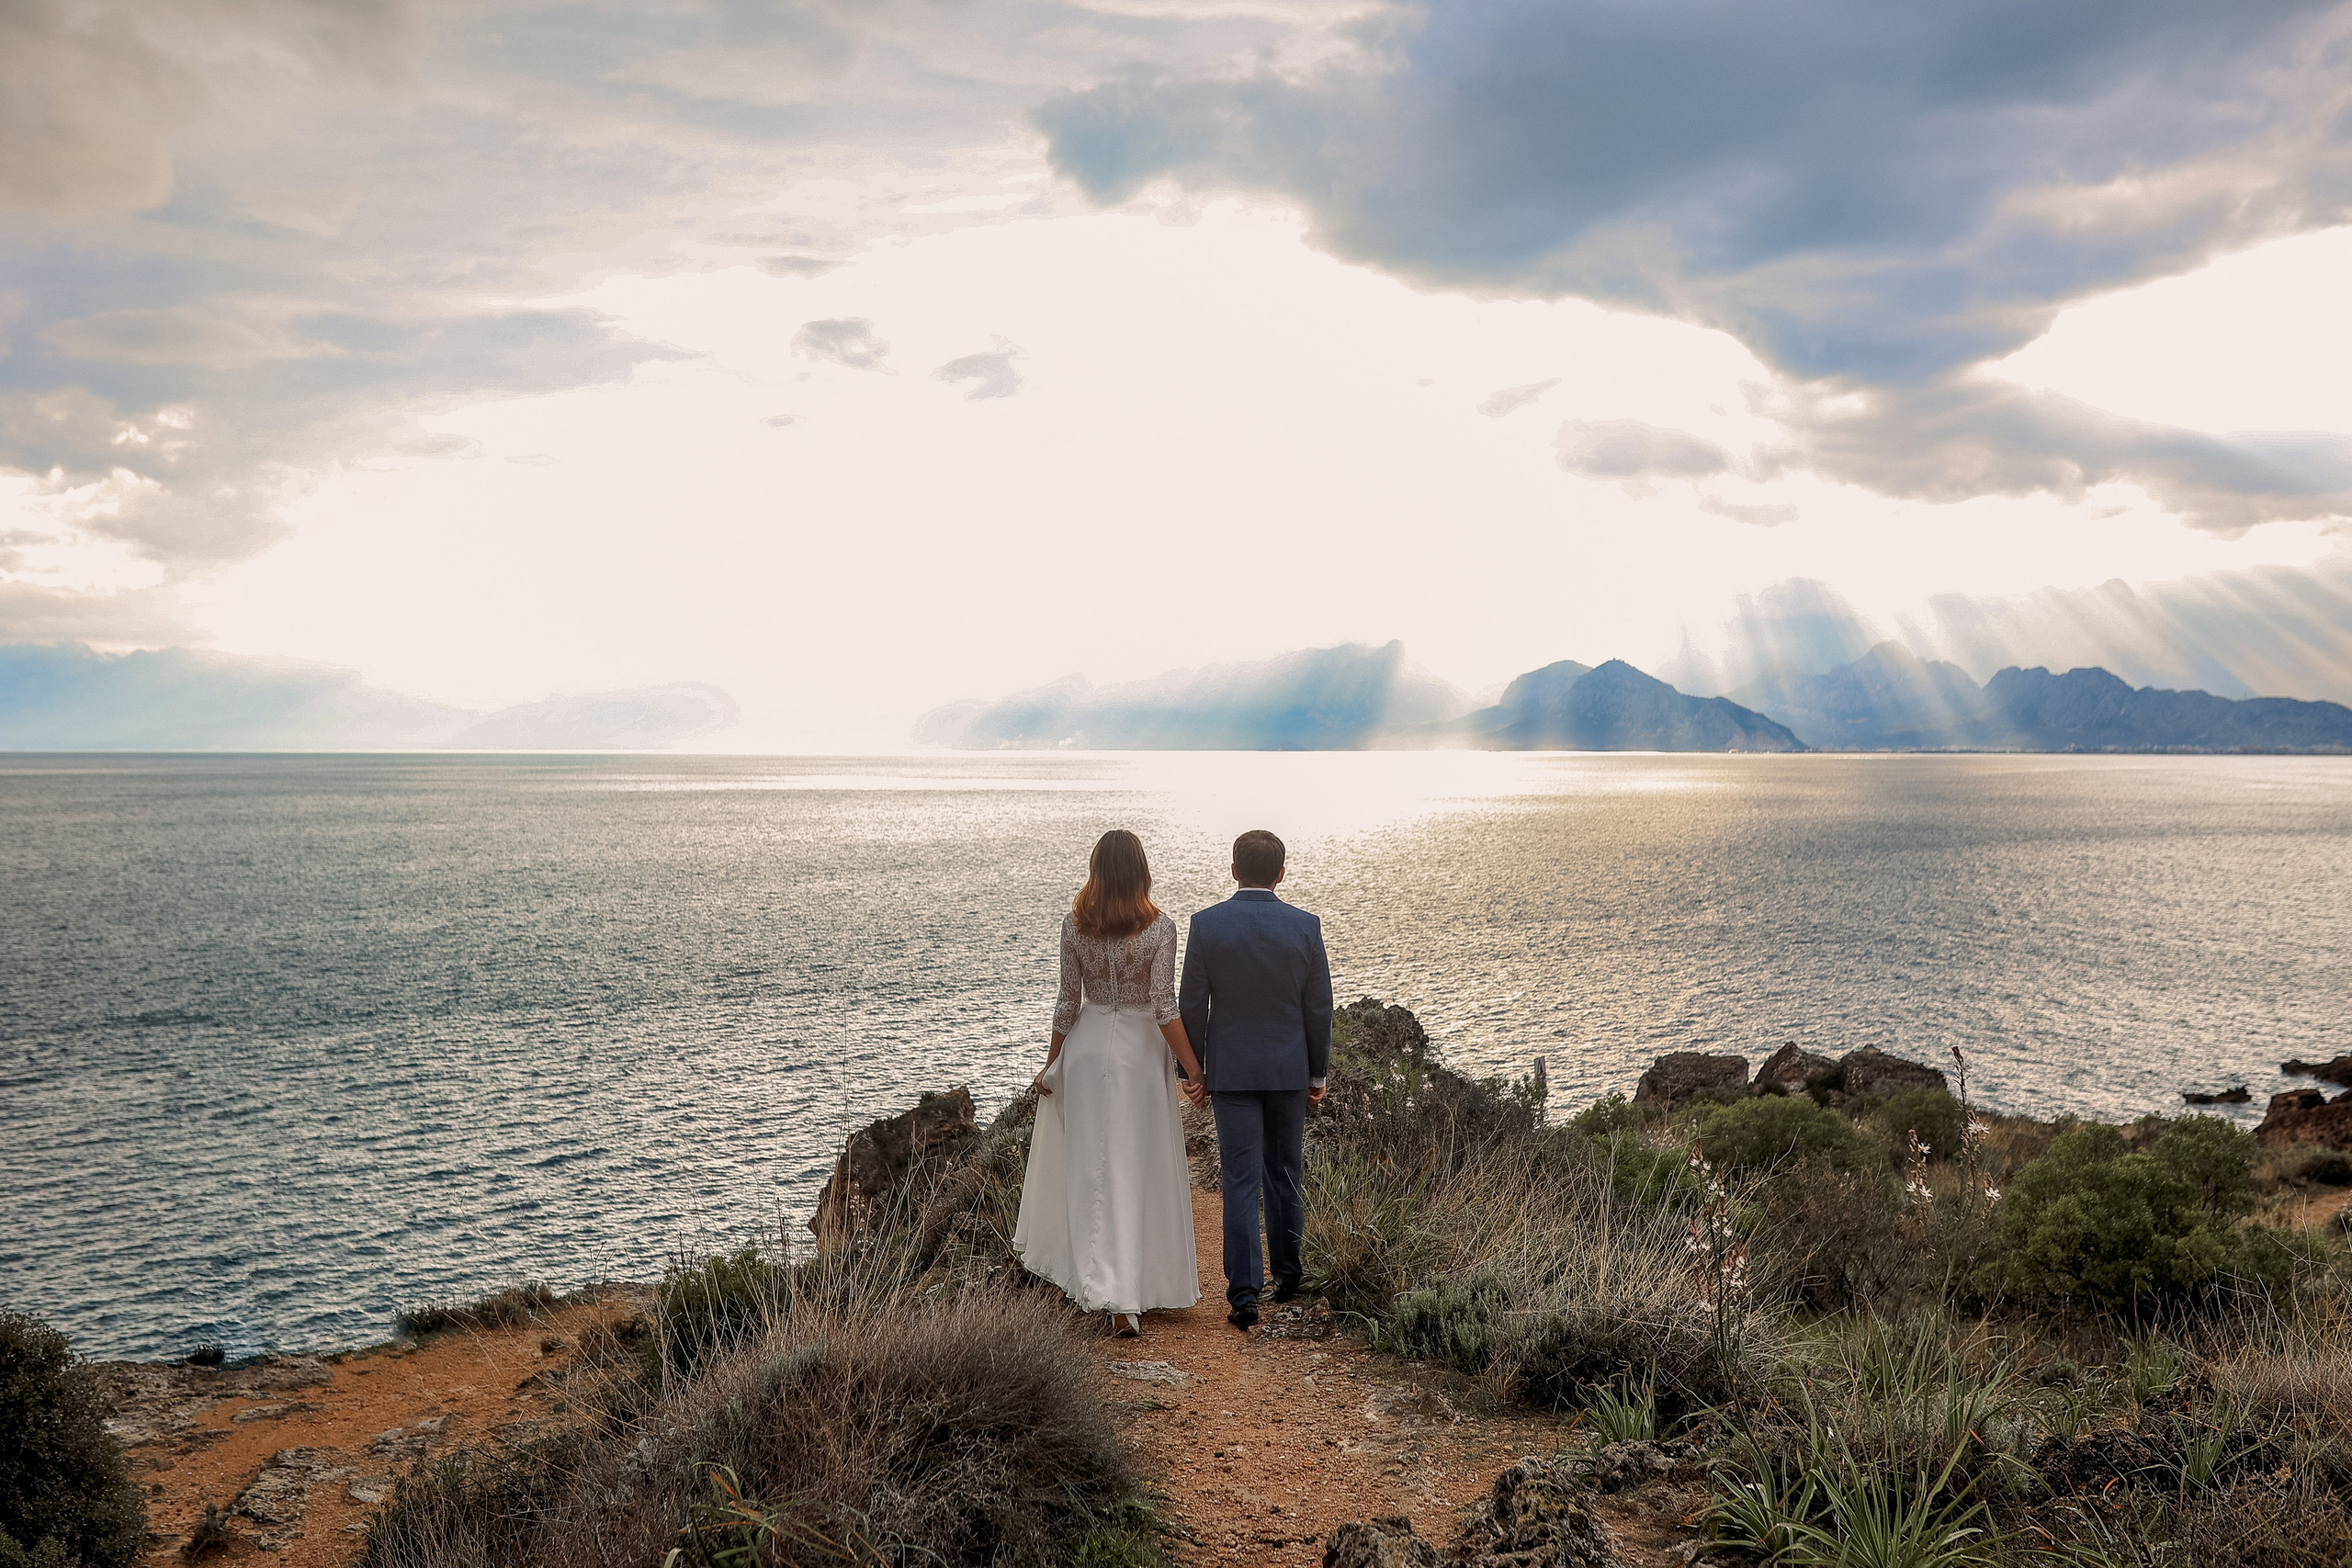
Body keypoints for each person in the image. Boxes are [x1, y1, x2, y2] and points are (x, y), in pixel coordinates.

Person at [1012, 829, 1205, 1337]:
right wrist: (1193, 1068)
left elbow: (1067, 1002)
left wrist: (1052, 1064)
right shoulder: (1160, 928)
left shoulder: (1075, 926)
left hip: (1087, 1049)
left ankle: (1099, 1284)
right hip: (1139, 1059)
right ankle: (1128, 1295)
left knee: (1091, 1170)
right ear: (1141, 871)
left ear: (1096, 870)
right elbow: (1163, 1006)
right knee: (1135, 1168)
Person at [1178, 829, 1333, 1331]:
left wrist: (1192, 1070)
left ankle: (1244, 1295)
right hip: (1289, 1070)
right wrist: (1317, 1071)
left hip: (1232, 1072)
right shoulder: (1306, 927)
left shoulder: (1207, 925)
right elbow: (1319, 1008)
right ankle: (1288, 1277)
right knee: (1285, 1172)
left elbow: (1191, 1003)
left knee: (1239, 1179)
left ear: (1233, 870)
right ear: (1281, 873)